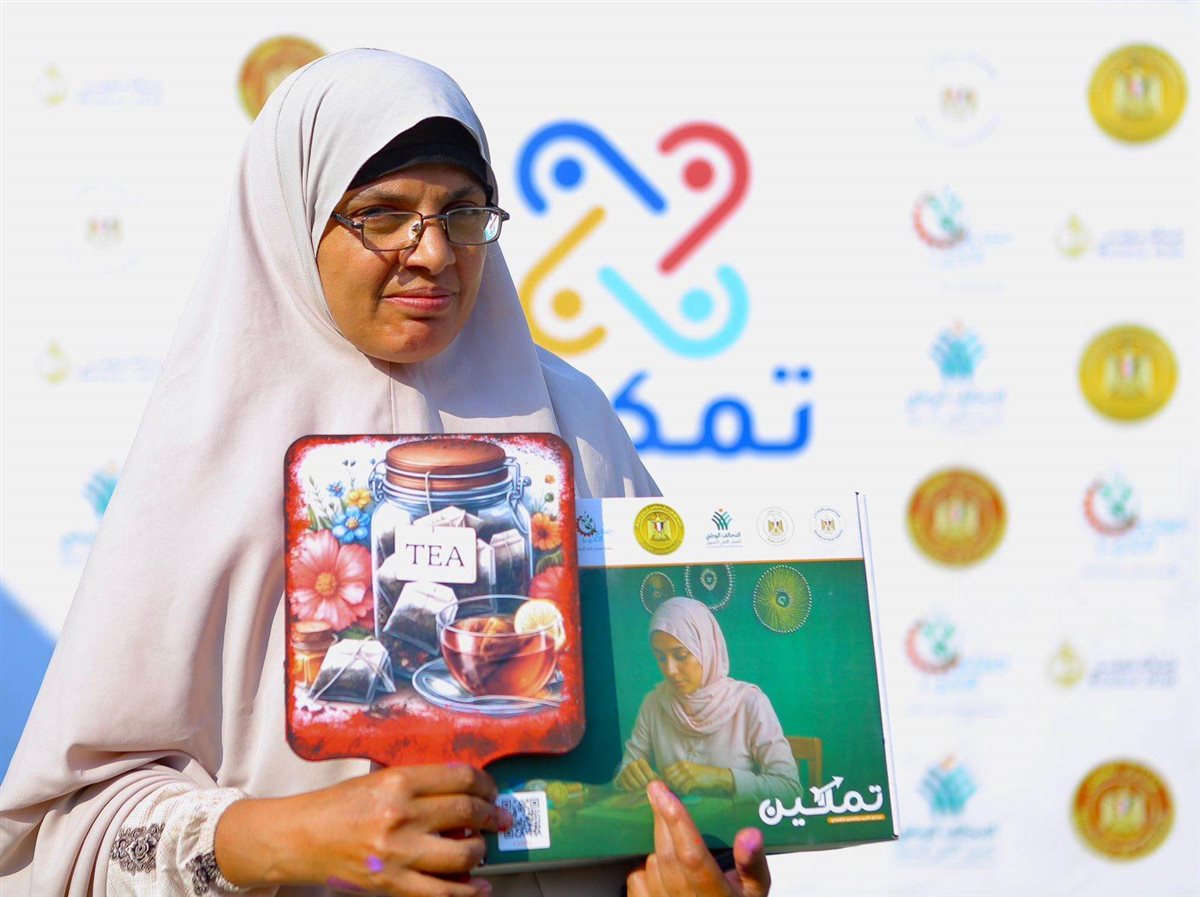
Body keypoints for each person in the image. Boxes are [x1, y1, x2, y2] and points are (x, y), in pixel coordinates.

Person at [0, 50, 770, 897]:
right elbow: (58, 843)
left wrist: (702, 878)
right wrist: (287, 837)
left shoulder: (574, 424)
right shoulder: (207, 459)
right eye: (382, 214)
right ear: (296, 223)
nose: (432, 251)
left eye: (462, 212)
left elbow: (665, 769)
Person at [616, 599, 801, 803]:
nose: (670, 670)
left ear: (706, 649)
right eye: (661, 658)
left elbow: (790, 790)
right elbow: (626, 771)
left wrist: (722, 778)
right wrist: (627, 776)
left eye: (681, 655)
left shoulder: (750, 703)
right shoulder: (654, 703)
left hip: (736, 824)